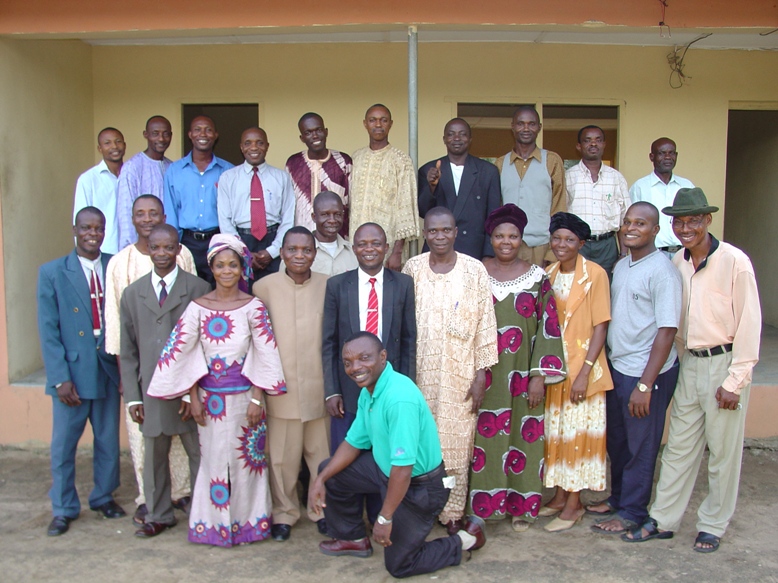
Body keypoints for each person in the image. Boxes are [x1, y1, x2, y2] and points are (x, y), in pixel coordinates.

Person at [625, 188, 761, 553]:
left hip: (725, 365)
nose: (686, 228)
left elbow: (750, 324)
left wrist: (735, 380)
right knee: (679, 449)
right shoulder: (677, 262)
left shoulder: (734, 261)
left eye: (694, 221)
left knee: (722, 454)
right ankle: (663, 519)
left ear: (708, 220)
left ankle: (713, 525)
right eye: (679, 222)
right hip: (690, 364)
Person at [147, 234, 286, 546]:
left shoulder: (254, 307)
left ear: (242, 267)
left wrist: (257, 398)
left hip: (247, 400)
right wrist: (192, 397)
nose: (226, 271)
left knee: (247, 462)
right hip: (210, 401)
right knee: (212, 462)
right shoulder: (198, 308)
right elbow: (184, 352)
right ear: (211, 268)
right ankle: (213, 527)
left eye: (232, 265)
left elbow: (265, 354)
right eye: (220, 265)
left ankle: (249, 526)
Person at [310, 332, 487, 579]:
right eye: (348, 362)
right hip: (386, 471)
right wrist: (320, 480)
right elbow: (353, 442)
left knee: (400, 565)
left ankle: (466, 540)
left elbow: (403, 469)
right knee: (330, 472)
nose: (355, 368)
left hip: (419, 487)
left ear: (383, 357)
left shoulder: (399, 398)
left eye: (364, 358)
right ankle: (353, 539)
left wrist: (385, 518)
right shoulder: (369, 391)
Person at [466, 204, 566, 533]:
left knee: (525, 439)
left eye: (513, 236)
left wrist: (539, 375)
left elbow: (549, 327)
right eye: (499, 236)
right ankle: (484, 507)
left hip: (523, 373)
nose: (506, 242)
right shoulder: (475, 272)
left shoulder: (537, 277)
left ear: (522, 239)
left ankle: (522, 508)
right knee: (484, 439)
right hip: (484, 372)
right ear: (490, 238)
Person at [402, 207, 498, 532]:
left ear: (456, 232)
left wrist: (481, 374)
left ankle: (453, 511)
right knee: (420, 444)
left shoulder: (474, 270)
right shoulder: (413, 268)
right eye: (433, 231)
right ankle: (422, 510)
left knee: (456, 447)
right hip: (420, 375)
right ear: (424, 234)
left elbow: (486, 323)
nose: (439, 236)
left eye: (446, 230)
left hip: (461, 374)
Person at [103, 194, 196, 526]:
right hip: (147, 378)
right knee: (149, 445)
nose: (147, 218)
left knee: (190, 446)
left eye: (153, 213)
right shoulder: (123, 270)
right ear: (131, 220)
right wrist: (130, 389)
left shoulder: (190, 271)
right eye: (140, 214)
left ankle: (188, 498)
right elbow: (122, 335)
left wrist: (193, 388)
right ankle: (153, 504)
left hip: (185, 381)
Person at [589, 202, 681, 536]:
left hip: (646, 373)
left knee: (641, 445)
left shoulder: (663, 271)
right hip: (620, 367)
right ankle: (619, 498)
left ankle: (633, 511)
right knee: (619, 442)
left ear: (655, 230)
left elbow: (667, 330)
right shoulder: (623, 264)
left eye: (640, 223)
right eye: (627, 222)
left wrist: (645, 384)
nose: (631, 228)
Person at [37, 207, 125, 536]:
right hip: (71, 374)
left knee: (107, 440)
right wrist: (59, 377)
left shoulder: (114, 265)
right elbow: (48, 330)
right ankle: (63, 507)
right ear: (75, 229)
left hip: (107, 369)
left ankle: (103, 496)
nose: (92, 234)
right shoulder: (52, 272)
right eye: (86, 227)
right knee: (64, 445)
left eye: (98, 228)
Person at [119, 224, 211, 537]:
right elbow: (128, 351)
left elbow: (205, 346)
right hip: (151, 390)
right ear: (148, 248)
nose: (162, 253)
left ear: (179, 249)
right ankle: (159, 514)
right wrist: (133, 397)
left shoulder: (198, 289)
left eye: (169, 247)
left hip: (190, 392)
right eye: (155, 247)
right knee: (154, 456)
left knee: (199, 453)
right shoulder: (133, 294)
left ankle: (202, 514)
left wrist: (191, 392)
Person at [322, 222, 416, 523]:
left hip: (387, 390)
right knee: (346, 457)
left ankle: (381, 518)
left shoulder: (403, 284)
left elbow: (409, 340)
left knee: (383, 458)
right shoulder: (338, 285)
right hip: (348, 391)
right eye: (362, 244)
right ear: (354, 248)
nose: (369, 249)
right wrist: (332, 390)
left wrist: (406, 387)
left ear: (386, 247)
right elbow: (329, 342)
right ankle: (348, 526)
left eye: (376, 243)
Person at [253, 227, 330, 542]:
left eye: (306, 250)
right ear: (282, 253)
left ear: (315, 253)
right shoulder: (263, 288)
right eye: (293, 249)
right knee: (282, 459)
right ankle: (284, 513)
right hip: (281, 389)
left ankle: (321, 510)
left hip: (319, 388)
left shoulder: (329, 285)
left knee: (321, 456)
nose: (300, 256)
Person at [540, 212, 613, 531]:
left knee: (579, 438)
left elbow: (601, 326)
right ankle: (559, 496)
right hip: (556, 369)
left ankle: (574, 505)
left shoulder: (595, 274)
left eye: (569, 240)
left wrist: (584, 372)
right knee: (558, 434)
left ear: (581, 243)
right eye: (557, 238)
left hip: (584, 370)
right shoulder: (549, 273)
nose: (561, 244)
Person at [218, 126, 294, 286]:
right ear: (241, 147)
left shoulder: (282, 178)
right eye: (248, 143)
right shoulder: (228, 178)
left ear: (267, 146)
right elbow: (224, 220)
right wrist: (243, 252)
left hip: (274, 240)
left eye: (259, 143)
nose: (254, 148)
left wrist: (273, 251)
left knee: (273, 292)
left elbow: (288, 218)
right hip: (241, 240)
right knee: (242, 293)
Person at [418, 118, 501, 259]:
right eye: (451, 134)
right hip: (437, 251)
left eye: (462, 134)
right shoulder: (428, 170)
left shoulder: (488, 171)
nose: (456, 138)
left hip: (474, 251)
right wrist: (431, 187)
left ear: (470, 139)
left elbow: (493, 218)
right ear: (444, 139)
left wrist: (488, 255)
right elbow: (422, 212)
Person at [494, 106, 566, 266]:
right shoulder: (500, 164)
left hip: (542, 246)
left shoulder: (552, 161)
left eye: (531, 124)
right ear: (513, 127)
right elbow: (496, 209)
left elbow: (559, 207)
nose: (526, 129)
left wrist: (552, 251)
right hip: (508, 246)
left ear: (539, 127)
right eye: (520, 124)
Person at [165, 115, 234, 284]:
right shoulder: (174, 170)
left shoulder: (228, 171)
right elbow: (171, 210)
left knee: (219, 289)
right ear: (190, 134)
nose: (203, 134)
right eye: (197, 130)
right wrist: (173, 245)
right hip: (186, 242)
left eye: (208, 130)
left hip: (218, 240)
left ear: (216, 135)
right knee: (187, 289)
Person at [350, 104, 420, 271]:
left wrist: (397, 252)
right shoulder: (356, 158)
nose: (378, 124)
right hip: (356, 244)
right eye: (372, 120)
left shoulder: (401, 160)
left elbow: (405, 207)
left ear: (391, 124)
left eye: (383, 120)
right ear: (365, 124)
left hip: (388, 247)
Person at [566, 125, 630, 274]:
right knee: (577, 285)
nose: (593, 144)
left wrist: (623, 254)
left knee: (606, 286)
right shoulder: (568, 177)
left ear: (604, 144)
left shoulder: (616, 178)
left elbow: (625, 219)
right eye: (587, 140)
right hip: (577, 244)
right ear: (579, 146)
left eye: (598, 140)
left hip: (607, 247)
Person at [285, 113, 352, 235]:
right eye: (308, 133)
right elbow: (288, 206)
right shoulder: (293, 163)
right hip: (303, 236)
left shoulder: (343, 161)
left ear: (326, 132)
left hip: (337, 236)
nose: (315, 136)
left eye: (319, 130)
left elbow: (352, 203)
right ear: (302, 138)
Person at [629, 138, 695, 257]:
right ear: (652, 157)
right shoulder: (640, 187)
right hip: (652, 254)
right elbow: (632, 224)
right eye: (662, 153)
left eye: (671, 153)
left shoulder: (687, 186)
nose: (668, 157)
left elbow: (695, 219)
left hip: (684, 253)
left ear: (676, 156)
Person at [117, 115, 174, 250]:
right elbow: (126, 213)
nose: (161, 139)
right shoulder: (133, 167)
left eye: (165, 134)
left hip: (166, 247)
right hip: (141, 248)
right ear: (146, 135)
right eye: (155, 134)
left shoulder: (171, 167)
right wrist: (130, 250)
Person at [73, 128, 126, 255]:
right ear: (99, 148)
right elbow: (81, 220)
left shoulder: (132, 175)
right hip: (103, 250)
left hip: (130, 250)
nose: (114, 146)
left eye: (118, 141)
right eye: (107, 143)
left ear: (124, 145)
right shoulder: (88, 179)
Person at [310, 191, 358, 277]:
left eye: (337, 214)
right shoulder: (301, 254)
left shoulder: (354, 253)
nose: (332, 220)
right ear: (314, 217)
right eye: (325, 214)